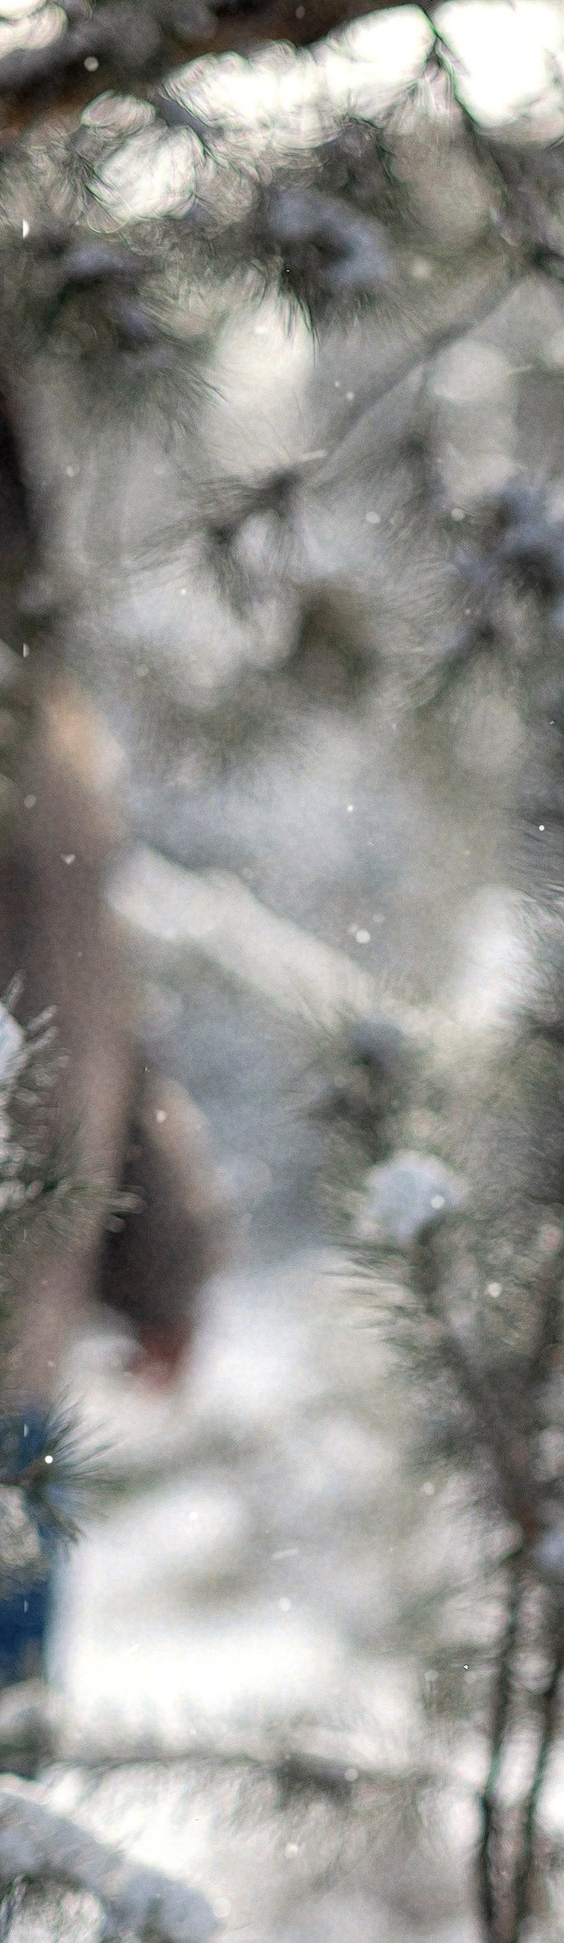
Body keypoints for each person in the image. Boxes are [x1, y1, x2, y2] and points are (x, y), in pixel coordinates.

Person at [1, 667, 223, 1694]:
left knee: (15, 1743)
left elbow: (106, 1027)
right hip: (25, 1349)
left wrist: (163, 1261)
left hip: (23, 1364)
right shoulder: (52, 759)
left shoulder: (48, 759)